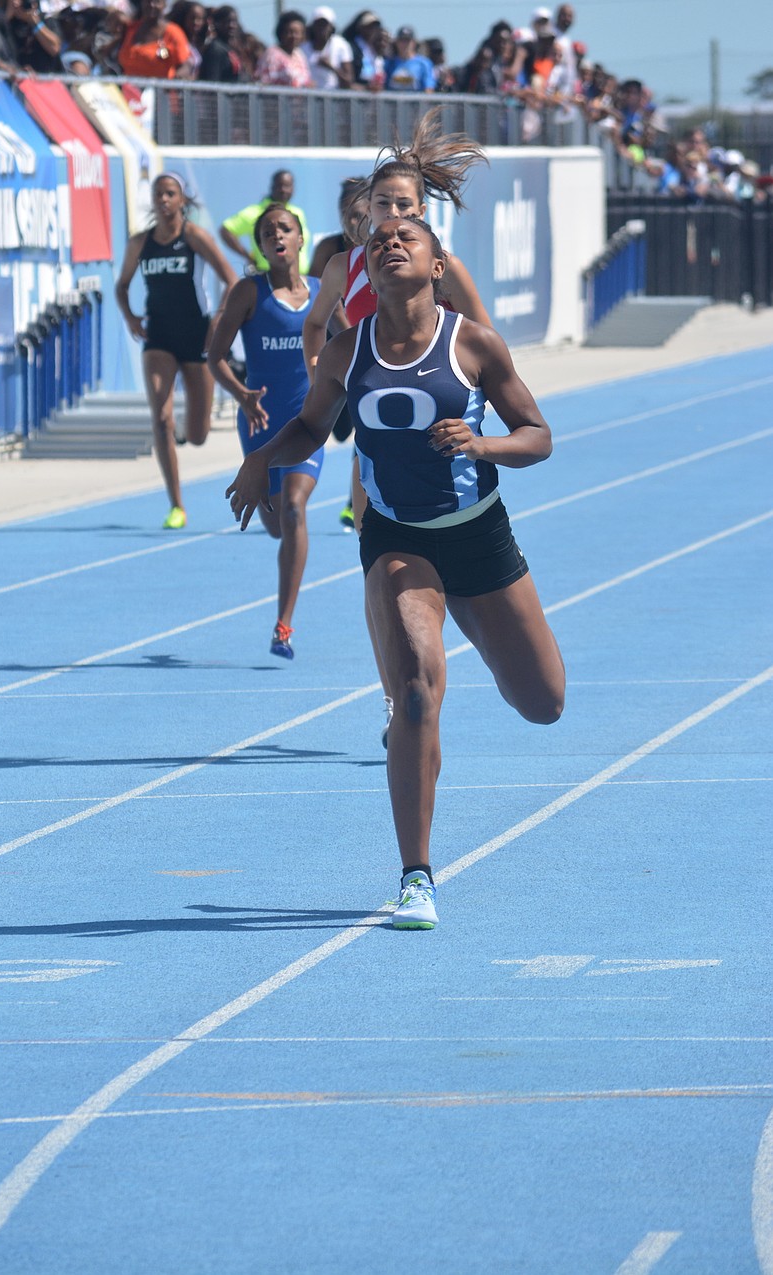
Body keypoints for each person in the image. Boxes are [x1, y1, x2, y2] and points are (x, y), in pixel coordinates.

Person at [227, 215, 565, 929]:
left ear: (437, 265)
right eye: (378, 240)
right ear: (368, 270)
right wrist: (262, 457)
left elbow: (538, 437)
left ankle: (423, 724)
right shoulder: (346, 351)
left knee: (544, 702)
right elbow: (313, 426)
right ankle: (417, 877)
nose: (389, 244)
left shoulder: (473, 343)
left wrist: (481, 444)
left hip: (479, 536)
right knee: (413, 690)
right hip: (396, 540)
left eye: (406, 237)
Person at [302, 108, 492, 742]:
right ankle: (396, 697)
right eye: (381, 203)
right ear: (366, 208)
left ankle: (428, 672)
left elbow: (485, 341)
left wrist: (468, 407)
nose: (391, 214)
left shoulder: (443, 267)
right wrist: (321, 377)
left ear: (421, 211)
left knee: (441, 569)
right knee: (379, 570)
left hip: (439, 441)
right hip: (376, 437)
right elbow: (315, 324)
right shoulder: (345, 266)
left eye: (403, 205)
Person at [209, 205, 323, 660]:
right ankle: (276, 524)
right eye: (268, 232)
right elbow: (214, 355)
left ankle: (283, 626)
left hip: (306, 423)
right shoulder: (248, 292)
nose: (277, 235)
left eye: (285, 228)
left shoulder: (321, 292)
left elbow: (354, 343)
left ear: (300, 239)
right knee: (276, 526)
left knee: (294, 509)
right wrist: (241, 395)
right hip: (258, 422)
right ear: (259, 246)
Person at [115, 172, 237, 529]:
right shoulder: (140, 243)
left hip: (196, 336)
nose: (164, 200)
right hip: (158, 337)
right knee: (161, 418)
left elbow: (231, 279)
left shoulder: (194, 236)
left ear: (182, 200)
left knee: (198, 435)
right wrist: (131, 317)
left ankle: (189, 429)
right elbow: (122, 286)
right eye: (158, 194)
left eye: (170, 193)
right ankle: (176, 505)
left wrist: (218, 319)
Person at [308, 175, 369, 531]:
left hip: (369, 355)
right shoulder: (329, 252)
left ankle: (353, 501)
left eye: (358, 212)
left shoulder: (383, 251)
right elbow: (316, 302)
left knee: (366, 428)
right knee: (341, 429)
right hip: (340, 353)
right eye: (346, 213)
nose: (352, 220)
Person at [220, 170, 312, 275]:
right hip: (268, 277)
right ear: (272, 187)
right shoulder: (256, 213)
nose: (283, 190)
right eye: (279, 185)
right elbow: (226, 230)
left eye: (287, 186)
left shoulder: (298, 212)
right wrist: (247, 256)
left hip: (301, 277)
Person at [117, 0, 192, 79]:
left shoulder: (174, 32)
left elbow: (186, 64)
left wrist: (178, 77)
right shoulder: (131, 29)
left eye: (157, 2)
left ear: (164, 5)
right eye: (148, 1)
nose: (152, 5)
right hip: (127, 84)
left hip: (160, 85)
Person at [255, 9, 312, 88]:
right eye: (289, 32)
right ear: (281, 33)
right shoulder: (272, 55)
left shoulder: (299, 54)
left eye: (297, 33)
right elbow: (266, 83)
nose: (293, 36)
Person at [302, 5, 354, 90]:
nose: (321, 28)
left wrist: (331, 67)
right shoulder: (303, 48)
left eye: (325, 25)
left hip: (334, 95)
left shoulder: (341, 45)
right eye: (318, 24)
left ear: (331, 27)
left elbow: (348, 82)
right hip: (309, 95)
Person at [198, 4, 246, 81]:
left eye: (234, 21)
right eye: (227, 21)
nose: (231, 26)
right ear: (217, 23)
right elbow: (212, 81)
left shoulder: (227, 48)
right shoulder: (215, 49)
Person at [384, 25, 435, 93]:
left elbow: (429, 87)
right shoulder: (389, 63)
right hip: (392, 99)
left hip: (416, 99)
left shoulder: (424, 63)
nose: (404, 44)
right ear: (396, 42)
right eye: (401, 40)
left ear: (414, 42)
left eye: (408, 40)